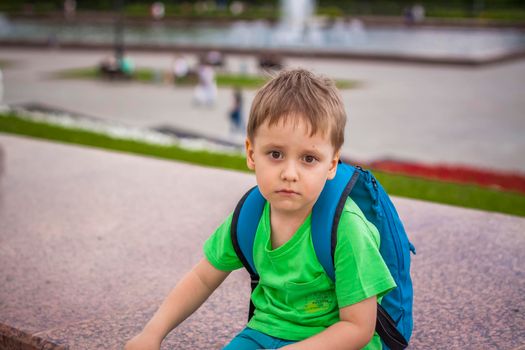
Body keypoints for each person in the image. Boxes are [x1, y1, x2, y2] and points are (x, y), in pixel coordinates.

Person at [125, 69, 396, 350]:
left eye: (309, 158)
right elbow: (202, 277)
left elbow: (358, 328)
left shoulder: (345, 229)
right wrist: (152, 332)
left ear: (332, 164)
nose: (290, 173)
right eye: (275, 154)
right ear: (252, 153)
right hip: (263, 333)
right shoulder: (250, 217)